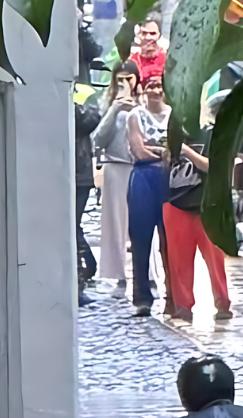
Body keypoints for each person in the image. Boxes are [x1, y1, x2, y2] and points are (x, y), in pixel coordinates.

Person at [163, 96, 232, 324]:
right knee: (179, 261)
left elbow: (215, 166)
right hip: (176, 203)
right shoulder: (172, 135)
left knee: (214, 258)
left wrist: (187, 152)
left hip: (207, 204)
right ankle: (183, 307)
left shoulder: (212, 134)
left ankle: (222, 302)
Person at [93, 61, 141, 293]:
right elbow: (98, 139)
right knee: (114, 222)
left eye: (129, 78)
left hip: (140, 166)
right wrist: (114, 110)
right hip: (115, 164)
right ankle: (117, 272)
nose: (125, 84)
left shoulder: (145, 102)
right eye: (120, 79)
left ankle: (147, 272)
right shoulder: (108, 103)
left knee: (142, 220)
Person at [126, 74, 171, 316]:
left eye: (159, 84)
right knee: (141, 240)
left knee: (170, 241)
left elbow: (178, 149)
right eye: (150, 84)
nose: (155, 89)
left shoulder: (175, 115)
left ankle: (174, 297)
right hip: (143, 179)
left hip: (169, 180)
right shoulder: (136, 115)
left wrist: (155, 149)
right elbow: (138, 151)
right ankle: (142, 297)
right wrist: (162, 153)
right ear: (144, 89)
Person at [74, 98, 101, 306]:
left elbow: (90, 120)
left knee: (73, 226)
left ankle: (84, 273)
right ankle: (86, 269)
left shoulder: (85, 102)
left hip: (80, 175)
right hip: (68, 173)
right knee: (72, 227)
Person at [130, 16, 166, 84]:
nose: (148, 37)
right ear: (137, 36)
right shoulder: (131, 61)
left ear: (159, 35)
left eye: (152, 33)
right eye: (144, 33)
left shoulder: (168, 60)